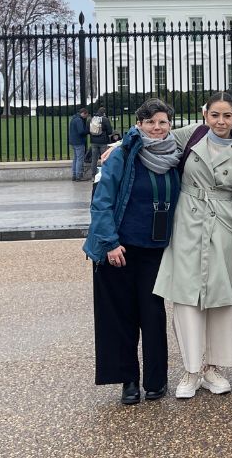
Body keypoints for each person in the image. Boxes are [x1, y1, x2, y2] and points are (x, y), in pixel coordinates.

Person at [153, 92, 232, 399]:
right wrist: (120, 145)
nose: (220, 121)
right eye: (215, 115)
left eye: (226, 116)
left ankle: (213, 367)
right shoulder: (191, 134)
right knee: (186, 297)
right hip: (187, 221)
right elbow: (153, 138)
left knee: (219, 298)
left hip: (223, 224)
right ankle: (191, 369)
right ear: (206, 116)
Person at [83, 98, 183, 405]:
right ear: (138, 124)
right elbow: (101, 201)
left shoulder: (176, 156)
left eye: (163, 122)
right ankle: (127, 380)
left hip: (154, 248)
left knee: (153, 315)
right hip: (119, 248)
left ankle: (156, 380)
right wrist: (110, 242)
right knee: (121, 317)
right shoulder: (122, 155)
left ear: (170, 126)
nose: (156, 127)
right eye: (150, 121)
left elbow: (211, 125)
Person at [69, 107, 91, 181]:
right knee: (79, 159)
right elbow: (81, 131)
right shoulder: (79, 120)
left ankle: (74, 175)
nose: (86, 117)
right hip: (79, 142)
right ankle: (79, 176)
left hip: (73, 141)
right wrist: (87, 131)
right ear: (84, 113)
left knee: (75, 158)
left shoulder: (73, 119)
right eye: (86, 115)